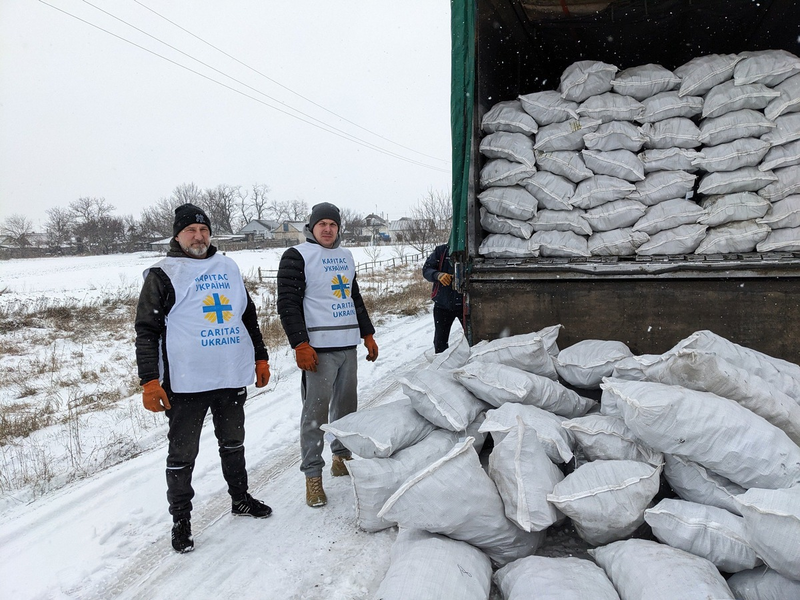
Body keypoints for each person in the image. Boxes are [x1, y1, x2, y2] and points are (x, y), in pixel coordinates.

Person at [135, 203, 273, 554]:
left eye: (203, 230)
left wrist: (260, 356)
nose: (198, 237)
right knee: (183, 454)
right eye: (190, 231)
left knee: (233, 442)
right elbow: (147, 330)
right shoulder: (163, 274)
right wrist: (150, 380)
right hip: (186, 382)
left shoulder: (227, 266)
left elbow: (247, 315)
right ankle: (181, 520)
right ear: (177, 235)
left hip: (228, 374)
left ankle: (240, 498)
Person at [276, 202, 378, 508]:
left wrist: (367, 334)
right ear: (312, 226)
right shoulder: (297, 256)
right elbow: (288, 303)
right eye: (322, 224)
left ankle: (341, 456)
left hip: (347, 345)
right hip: (318, 350)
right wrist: (300, 344)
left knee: (346, 409)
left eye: (333, 224)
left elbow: (353, 296)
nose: (328, 229)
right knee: (315, 415)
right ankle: (312, 475)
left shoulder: (346, 256)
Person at [422, 243, 465, 353]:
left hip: (466, 304)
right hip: (443, 304)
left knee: (474, 340)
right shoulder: (441, 251)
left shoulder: (472, 251)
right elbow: (427, 269)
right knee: (440, 342)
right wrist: (437, 275)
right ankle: (441, 362)